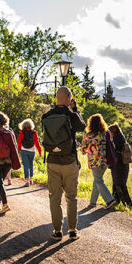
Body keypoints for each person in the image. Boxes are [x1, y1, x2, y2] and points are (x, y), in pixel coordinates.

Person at [41, 87, 87, 241]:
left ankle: (57, 231)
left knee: (54, 197)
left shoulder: (46, 116)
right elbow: (82, 127)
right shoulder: (71, 115)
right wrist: (75, 109)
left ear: (56, 98)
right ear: (68, 97)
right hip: (69, 161)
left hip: (53, 160)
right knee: (71, 197)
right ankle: (72, 230)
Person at [80, 113, 116, 208]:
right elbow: (112, 145)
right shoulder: (107, 134)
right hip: (105, 161)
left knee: (98, 180)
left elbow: (83, 149)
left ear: (90, 123)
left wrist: (87, 150)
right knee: (97, 180)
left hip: (94, 162)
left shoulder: (88, 135)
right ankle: (92, 202)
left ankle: (110, 200)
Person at [108, 123, 132, 209]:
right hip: (122, 164)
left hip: (118, 164)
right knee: (117, 183)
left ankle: (129, 205)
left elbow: (113, 150)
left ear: (113, 131)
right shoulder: (121, 137)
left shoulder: (116, 138)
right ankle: (116, 201)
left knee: (120, 184)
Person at [17, 119, 42, 187]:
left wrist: (19, 149)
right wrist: (40, 151)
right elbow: (37, 142)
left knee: (26, 165)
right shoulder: (34, 132)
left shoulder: (22, 132)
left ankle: (27, 180)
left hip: (24, 150)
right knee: (31, 164)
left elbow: (19, 141)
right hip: (32, 150)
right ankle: (31, 179)